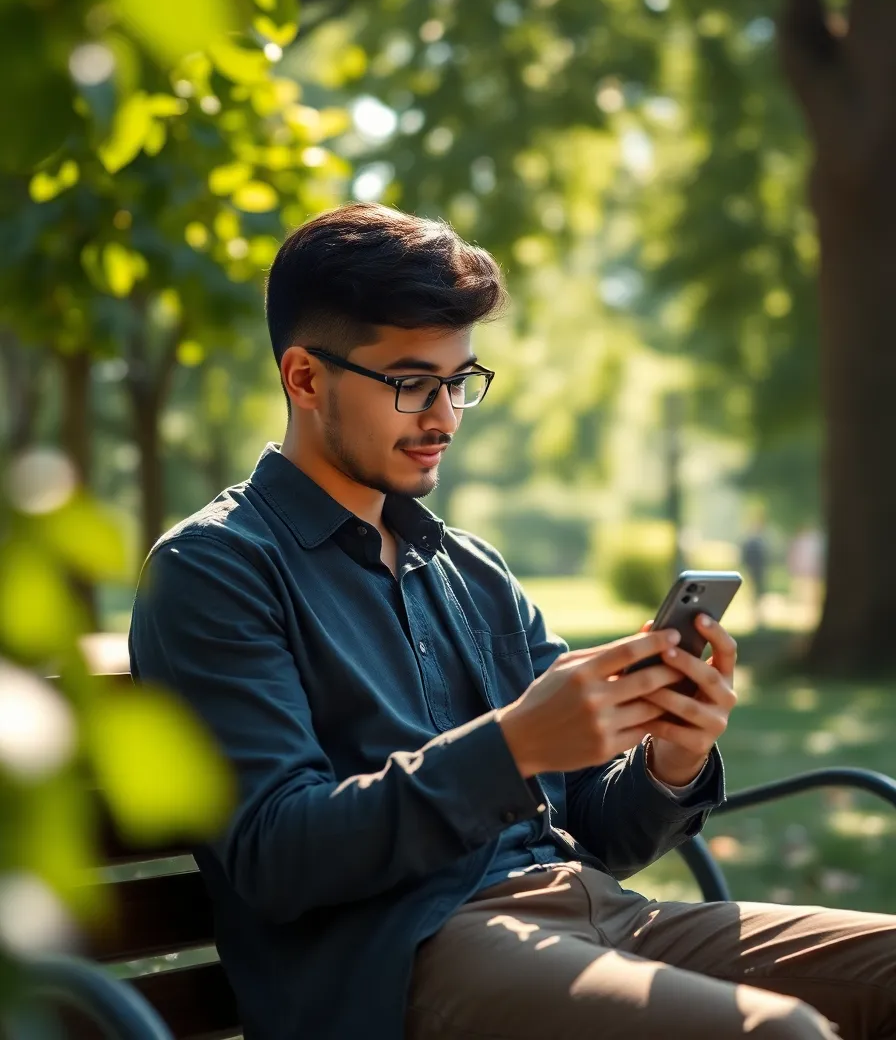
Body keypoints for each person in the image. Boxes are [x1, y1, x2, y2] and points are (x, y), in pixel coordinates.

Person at [129, 204, 895, 1040]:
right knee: (777, 1033)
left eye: (459, 382)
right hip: (401, 963)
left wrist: (674, 758)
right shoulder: (214, 569)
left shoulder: (470, 568)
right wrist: (514, 745)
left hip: (592, 914)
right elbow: (276, 854)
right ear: (305, 378)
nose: (445, 418)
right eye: (412, 384)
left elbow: (598, 831)